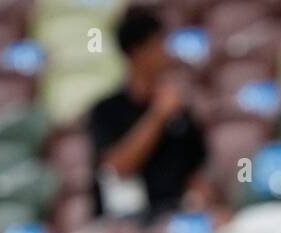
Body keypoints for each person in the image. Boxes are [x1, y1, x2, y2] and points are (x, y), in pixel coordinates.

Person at [88, 5, 212, 221]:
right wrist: (158, 115)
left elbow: (195, 171)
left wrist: (206, 204)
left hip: (176, 216)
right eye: (158, 44)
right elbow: (117, 167)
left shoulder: (179, 109)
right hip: (122, 222)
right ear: (138, 52)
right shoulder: (106, 110)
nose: (165, 52)